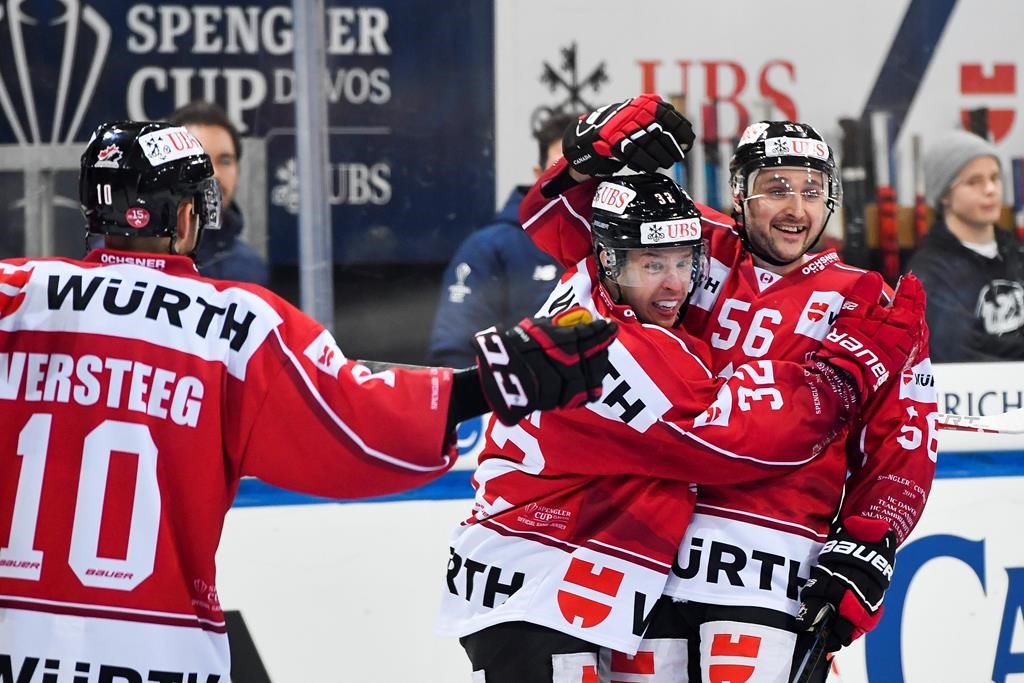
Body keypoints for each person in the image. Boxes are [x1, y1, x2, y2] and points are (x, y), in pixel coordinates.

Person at [0, 120, 618, 679]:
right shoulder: (231, 326)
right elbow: (357, 417)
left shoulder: (16, 297)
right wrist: (490, 384)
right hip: (156, 653)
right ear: (186, 217)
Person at [437, 171, 927, 682]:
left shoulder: (586, 285)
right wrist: (841, 376)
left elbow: (567, 221)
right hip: (535, 584)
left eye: (684, 262)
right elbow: (731, 438)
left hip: (559, 575)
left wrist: (583, 165)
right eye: (652, 264)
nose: (674, 284)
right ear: (610, 260)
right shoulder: (617, 345)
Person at [425, 113, 572, 367]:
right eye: (562, 169)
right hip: (522, 402)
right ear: (539, 174)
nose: (576, 181)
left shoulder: (625, 247)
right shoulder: (489, 248)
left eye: (586, 172)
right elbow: (454, 355)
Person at [906, 129, 1024, 361]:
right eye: (974, 182)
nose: (990, 190)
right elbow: (955, 352)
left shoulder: (1016, 253)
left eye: (994, 177)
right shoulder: (930, 272)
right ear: (944, 196)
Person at [168, 100, 270, 286]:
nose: (214, 173)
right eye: (199, 159)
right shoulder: (120, 259)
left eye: (225, 160)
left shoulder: (250, 268)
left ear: (238, 171)